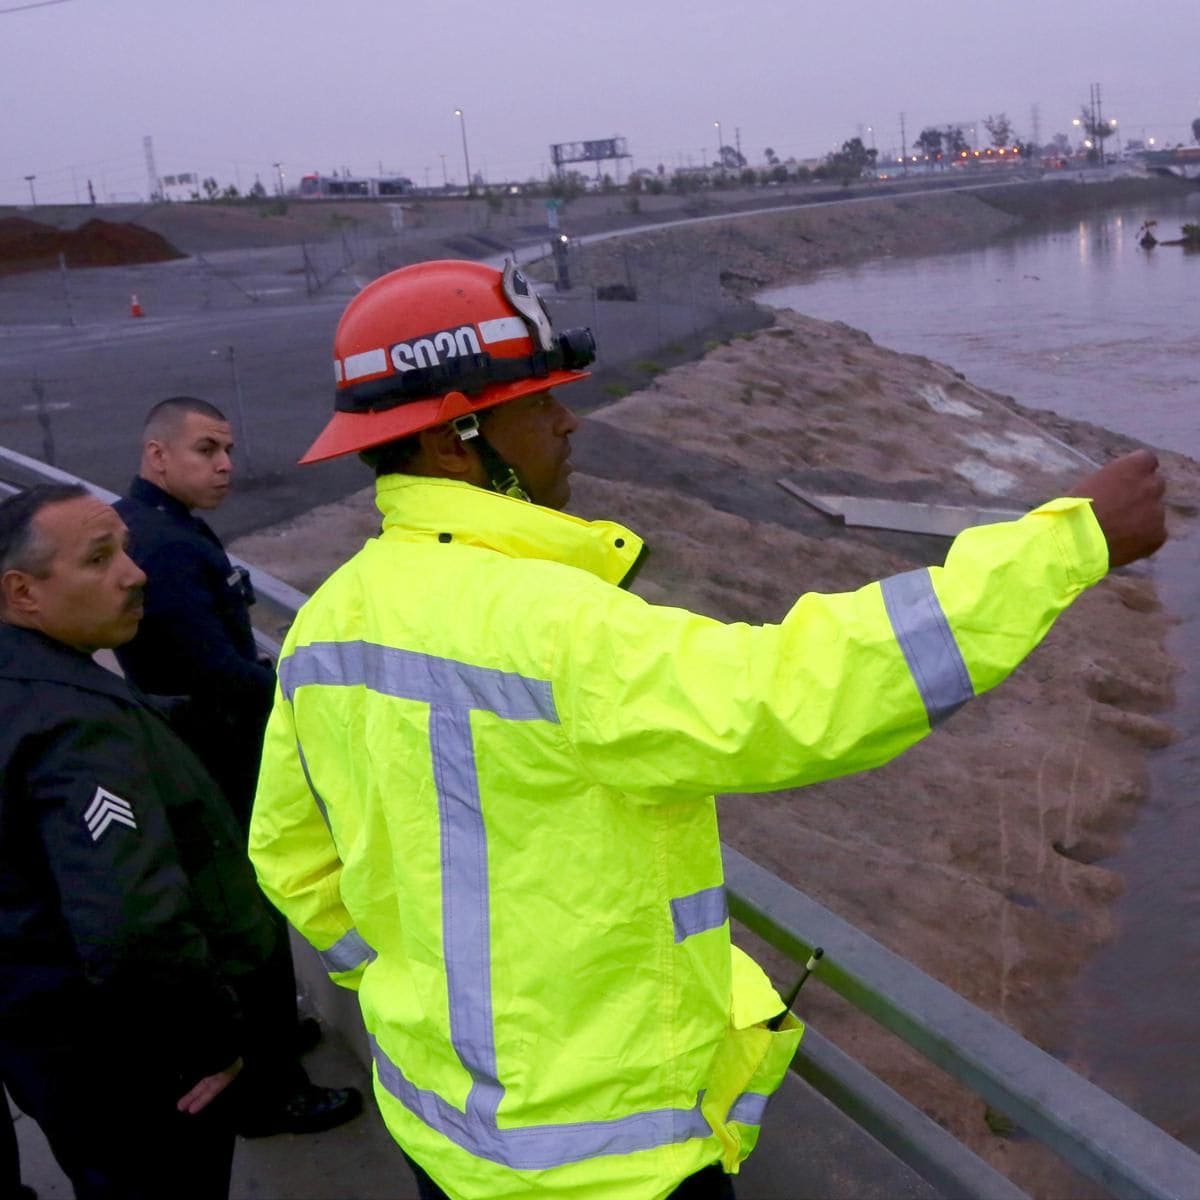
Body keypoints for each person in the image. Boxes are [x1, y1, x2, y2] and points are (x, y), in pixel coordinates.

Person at [247, 259, 1168, 1200]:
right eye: (540, 405)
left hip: (440, 1127)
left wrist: (405, 982)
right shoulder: (557, 628)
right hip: (606, 1165)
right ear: (455, 441)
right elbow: (795, 695)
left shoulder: (327, 624)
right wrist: (1070, 543)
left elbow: (288, 854)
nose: (570, 422)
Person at [0, 483, 278, 1199]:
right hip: (133, 1065)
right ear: (23, 594)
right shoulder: (77, 728)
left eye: (124, 548)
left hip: (45, 1039)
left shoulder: (27, 686)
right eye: (100, 559)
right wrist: (207, 1042)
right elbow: (133, 922)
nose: (135, 573)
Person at [113, 397, 362, 1138]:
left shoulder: (160, 527)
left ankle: (271, 1046)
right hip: (214, 753)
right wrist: (303, 691)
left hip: (198, 742)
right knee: (246, 924)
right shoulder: (167, 545)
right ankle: (272, 1092)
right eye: (204, 450)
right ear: (158, 456)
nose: (224, 464)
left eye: (226, 448)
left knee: (243, 918)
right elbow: (216, 669)